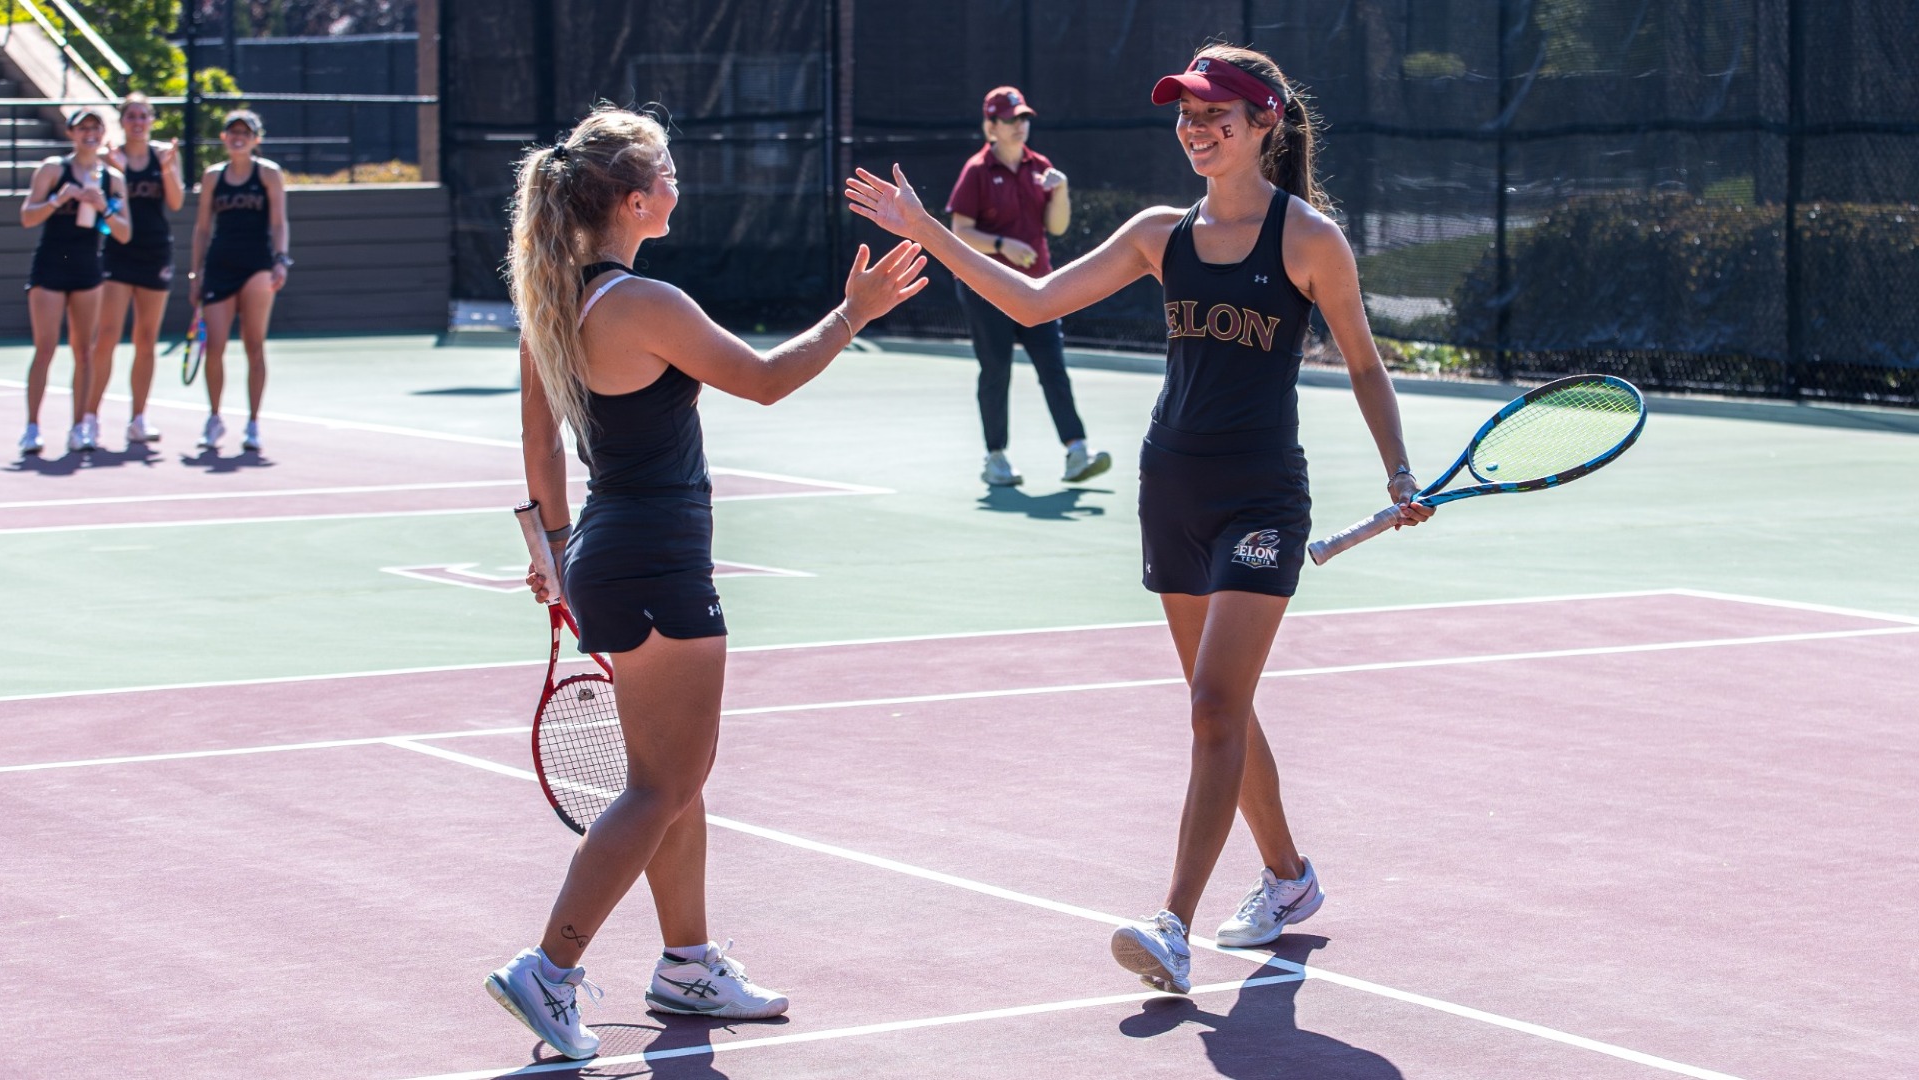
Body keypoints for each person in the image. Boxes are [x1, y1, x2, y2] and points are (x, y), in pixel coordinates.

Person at [848, 44, 1435, 993]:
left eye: (1217, 117)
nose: (1197, 131)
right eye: (1187, 116)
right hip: (1172, 493)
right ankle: (1289, 879)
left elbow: (1363, 363)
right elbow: (1034, 303)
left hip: (1262, 499)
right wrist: (926, 227)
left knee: (1212, 707)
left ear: (1264, 127)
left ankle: (1173, 923)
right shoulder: (1161, 232)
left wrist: (1398, 470)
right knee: (1223, 705)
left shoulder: (1310, 240)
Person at [487, 106, 927, 1060]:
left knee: (672, 779)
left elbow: (537, 446)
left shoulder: (555, 302)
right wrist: (854, 314)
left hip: (614, 549)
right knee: (664, 786)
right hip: (657, 557)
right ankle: (549, 969)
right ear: (636, 201)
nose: (680, 184)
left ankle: (685, 960)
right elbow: (765, 380)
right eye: (670, 173)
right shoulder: (644, 304)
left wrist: (556, 554)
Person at [946, 86, 1110, 487]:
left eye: (1023, 119)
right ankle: (995, 457)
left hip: (1038, 288)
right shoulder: (977, 171)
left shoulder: (1041, 166)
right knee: (996, 369)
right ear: (991, 127)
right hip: (987, 289)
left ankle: (1077, 452)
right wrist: (1003, 245)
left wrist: (1062, 191)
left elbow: (1056, 227)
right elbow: (960, 231)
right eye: (1010, 120)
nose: (1020, 126)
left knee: (1053, 367)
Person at [17, 107, 130, 456]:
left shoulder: (112, 178)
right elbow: (27, 217)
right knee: (46, 347)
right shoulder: (53, 169)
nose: (89, 134)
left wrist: (104, 208)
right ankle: (32, 428)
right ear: (72, 133)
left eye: (96, 128)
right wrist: (58, 199)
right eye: (83, 128)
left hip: (87, 268)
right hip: (51, 265)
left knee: (85, 351)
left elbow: (124, 233)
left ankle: (81, 426)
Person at [189, 109, 289, 453]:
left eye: (245, 132)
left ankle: (253, 423)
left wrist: (280, 260)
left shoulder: (268, 175)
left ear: (256, 139)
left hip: (257, 265)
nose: (238, 137)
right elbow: (202, 228)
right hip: (220, 265)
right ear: (224, 137)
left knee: (254, 345)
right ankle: (215, 417)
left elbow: (278, 223)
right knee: (214, 347)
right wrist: (195, 272)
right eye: (233, 132)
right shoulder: (214, 177)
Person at [93, 92, 185, 447]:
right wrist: (115, 168)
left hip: (155, 253)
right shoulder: (108, 158)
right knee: (107, 337)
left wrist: (166, 168)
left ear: (151, 120)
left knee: (146, 340)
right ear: (122, 120)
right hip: (117, 253)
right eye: (131, 116)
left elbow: (175, 203)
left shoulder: (163, 155)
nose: (137, 122)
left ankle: (138, 418)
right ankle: (90, 418)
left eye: (143, 116)